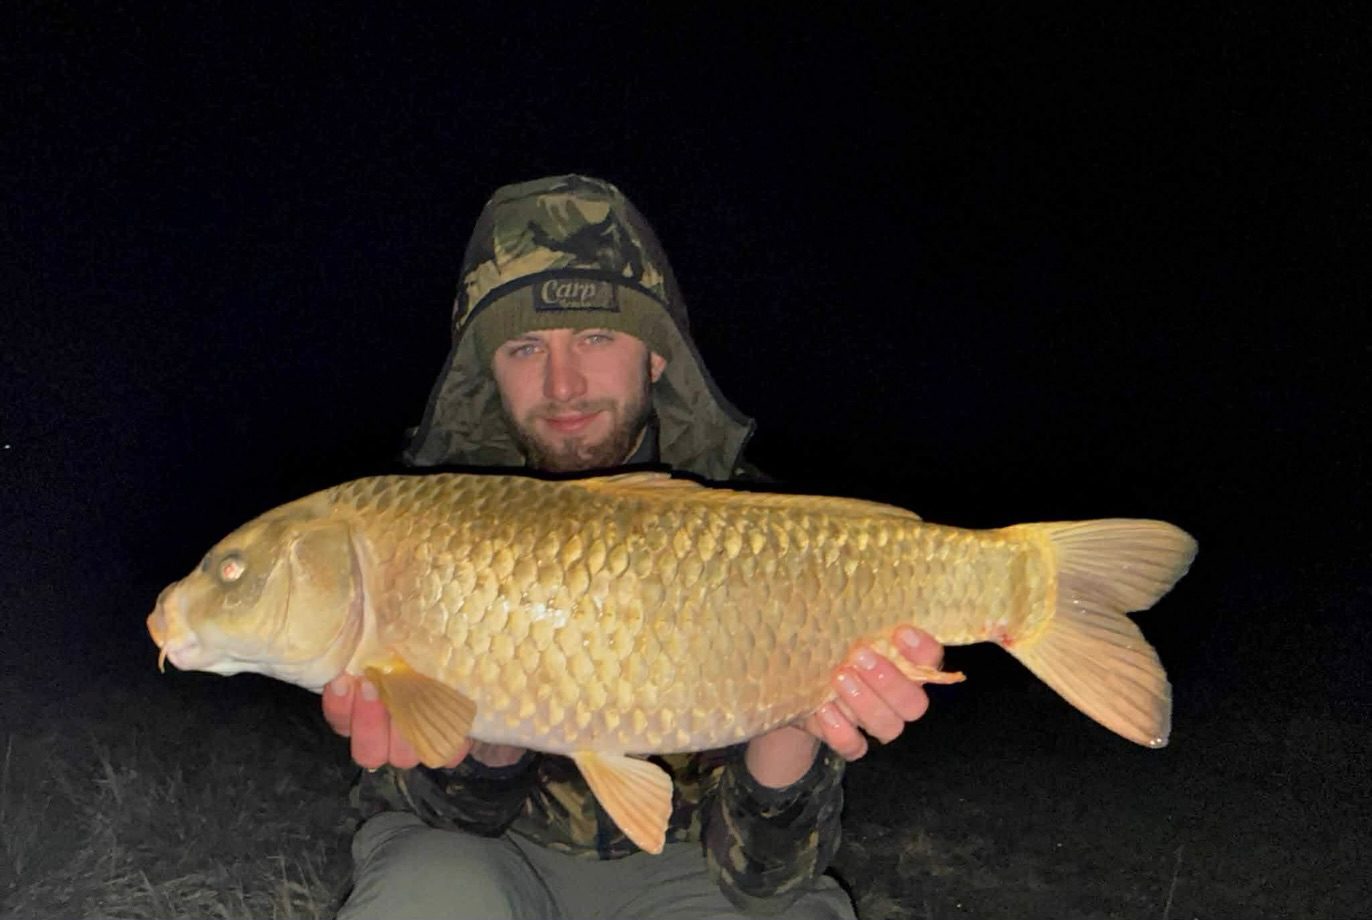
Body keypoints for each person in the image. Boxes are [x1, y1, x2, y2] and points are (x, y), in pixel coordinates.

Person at [324, 175, 943, 919]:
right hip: (486, 858)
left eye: (595, 336)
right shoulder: (421, 522)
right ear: (488, 373)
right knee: (427, 894)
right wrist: (483, 730)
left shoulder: (758, 534)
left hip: (690, 877)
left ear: (656, 357)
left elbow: (765, 883)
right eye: (523, 346)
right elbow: (449, 818)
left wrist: (793, 720)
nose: (562, 383)